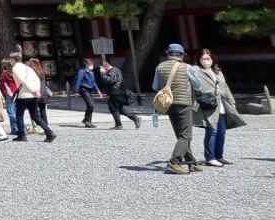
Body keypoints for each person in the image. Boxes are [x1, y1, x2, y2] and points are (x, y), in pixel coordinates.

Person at [152, 43, 204, 175]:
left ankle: (191, 162)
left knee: (180, 135)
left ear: (168, 54)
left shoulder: (159, 67)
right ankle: (174, 162)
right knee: (186, 135)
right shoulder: (186, 67)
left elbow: (155, 86)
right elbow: (197, 85)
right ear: (181, 55)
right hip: (183, 103)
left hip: (167, 103)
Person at [195, 49, 243, 168]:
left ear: (212, 59)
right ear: (199, 60)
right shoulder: (196, 70)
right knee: (212, 131)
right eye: (203, 59)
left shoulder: (217, 70)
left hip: (222, 105)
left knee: (221, 132)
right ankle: (210, 157)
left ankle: (219, 155)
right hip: (209, 104)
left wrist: (231, 101)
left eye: (208, 58)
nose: (206, 61)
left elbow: (225, 86)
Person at [10, 54, 55, 142]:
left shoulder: (16, 68)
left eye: (11, 60)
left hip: (24, 95)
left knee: (19, 115)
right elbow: (36, 79)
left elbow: (23, 81)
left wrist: (32, 90)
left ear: (13, 60)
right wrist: (36, 90)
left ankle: (22, 135)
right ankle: (49, 132)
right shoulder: (27, 68)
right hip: (33, 95)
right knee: (35, 116)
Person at [97, 59, 141, 129]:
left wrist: (102, 73)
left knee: (113, 107)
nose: (100, 69)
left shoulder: (112, 72)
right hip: (118, 92)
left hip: (116, 92)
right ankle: (134, 118)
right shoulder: (116, 70)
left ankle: (120, 124)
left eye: (101, 68)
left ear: (105, 67)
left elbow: (108, 80)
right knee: (119, 108)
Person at [72, 58, 100, 128]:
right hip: (84, 89)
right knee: (91, 105)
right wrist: (76, 91)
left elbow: (94, 82)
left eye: (92, 64)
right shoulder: (81, 71)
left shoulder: (91, 72)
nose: (91, 66)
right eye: (90, 64)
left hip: (90, 90)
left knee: (90, 105)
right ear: (86, 65)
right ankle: (87, 120)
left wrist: (98, 91)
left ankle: (87, 121)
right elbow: (78, 81)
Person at [0, 58, 20, 137]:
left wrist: (2, 93)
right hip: (17, 92)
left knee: (11, 112)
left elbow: (2, 85)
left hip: (9, 94)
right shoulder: (14, 73)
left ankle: (18, 127)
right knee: (16, 111)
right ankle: (15, 128)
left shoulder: (4, 75)